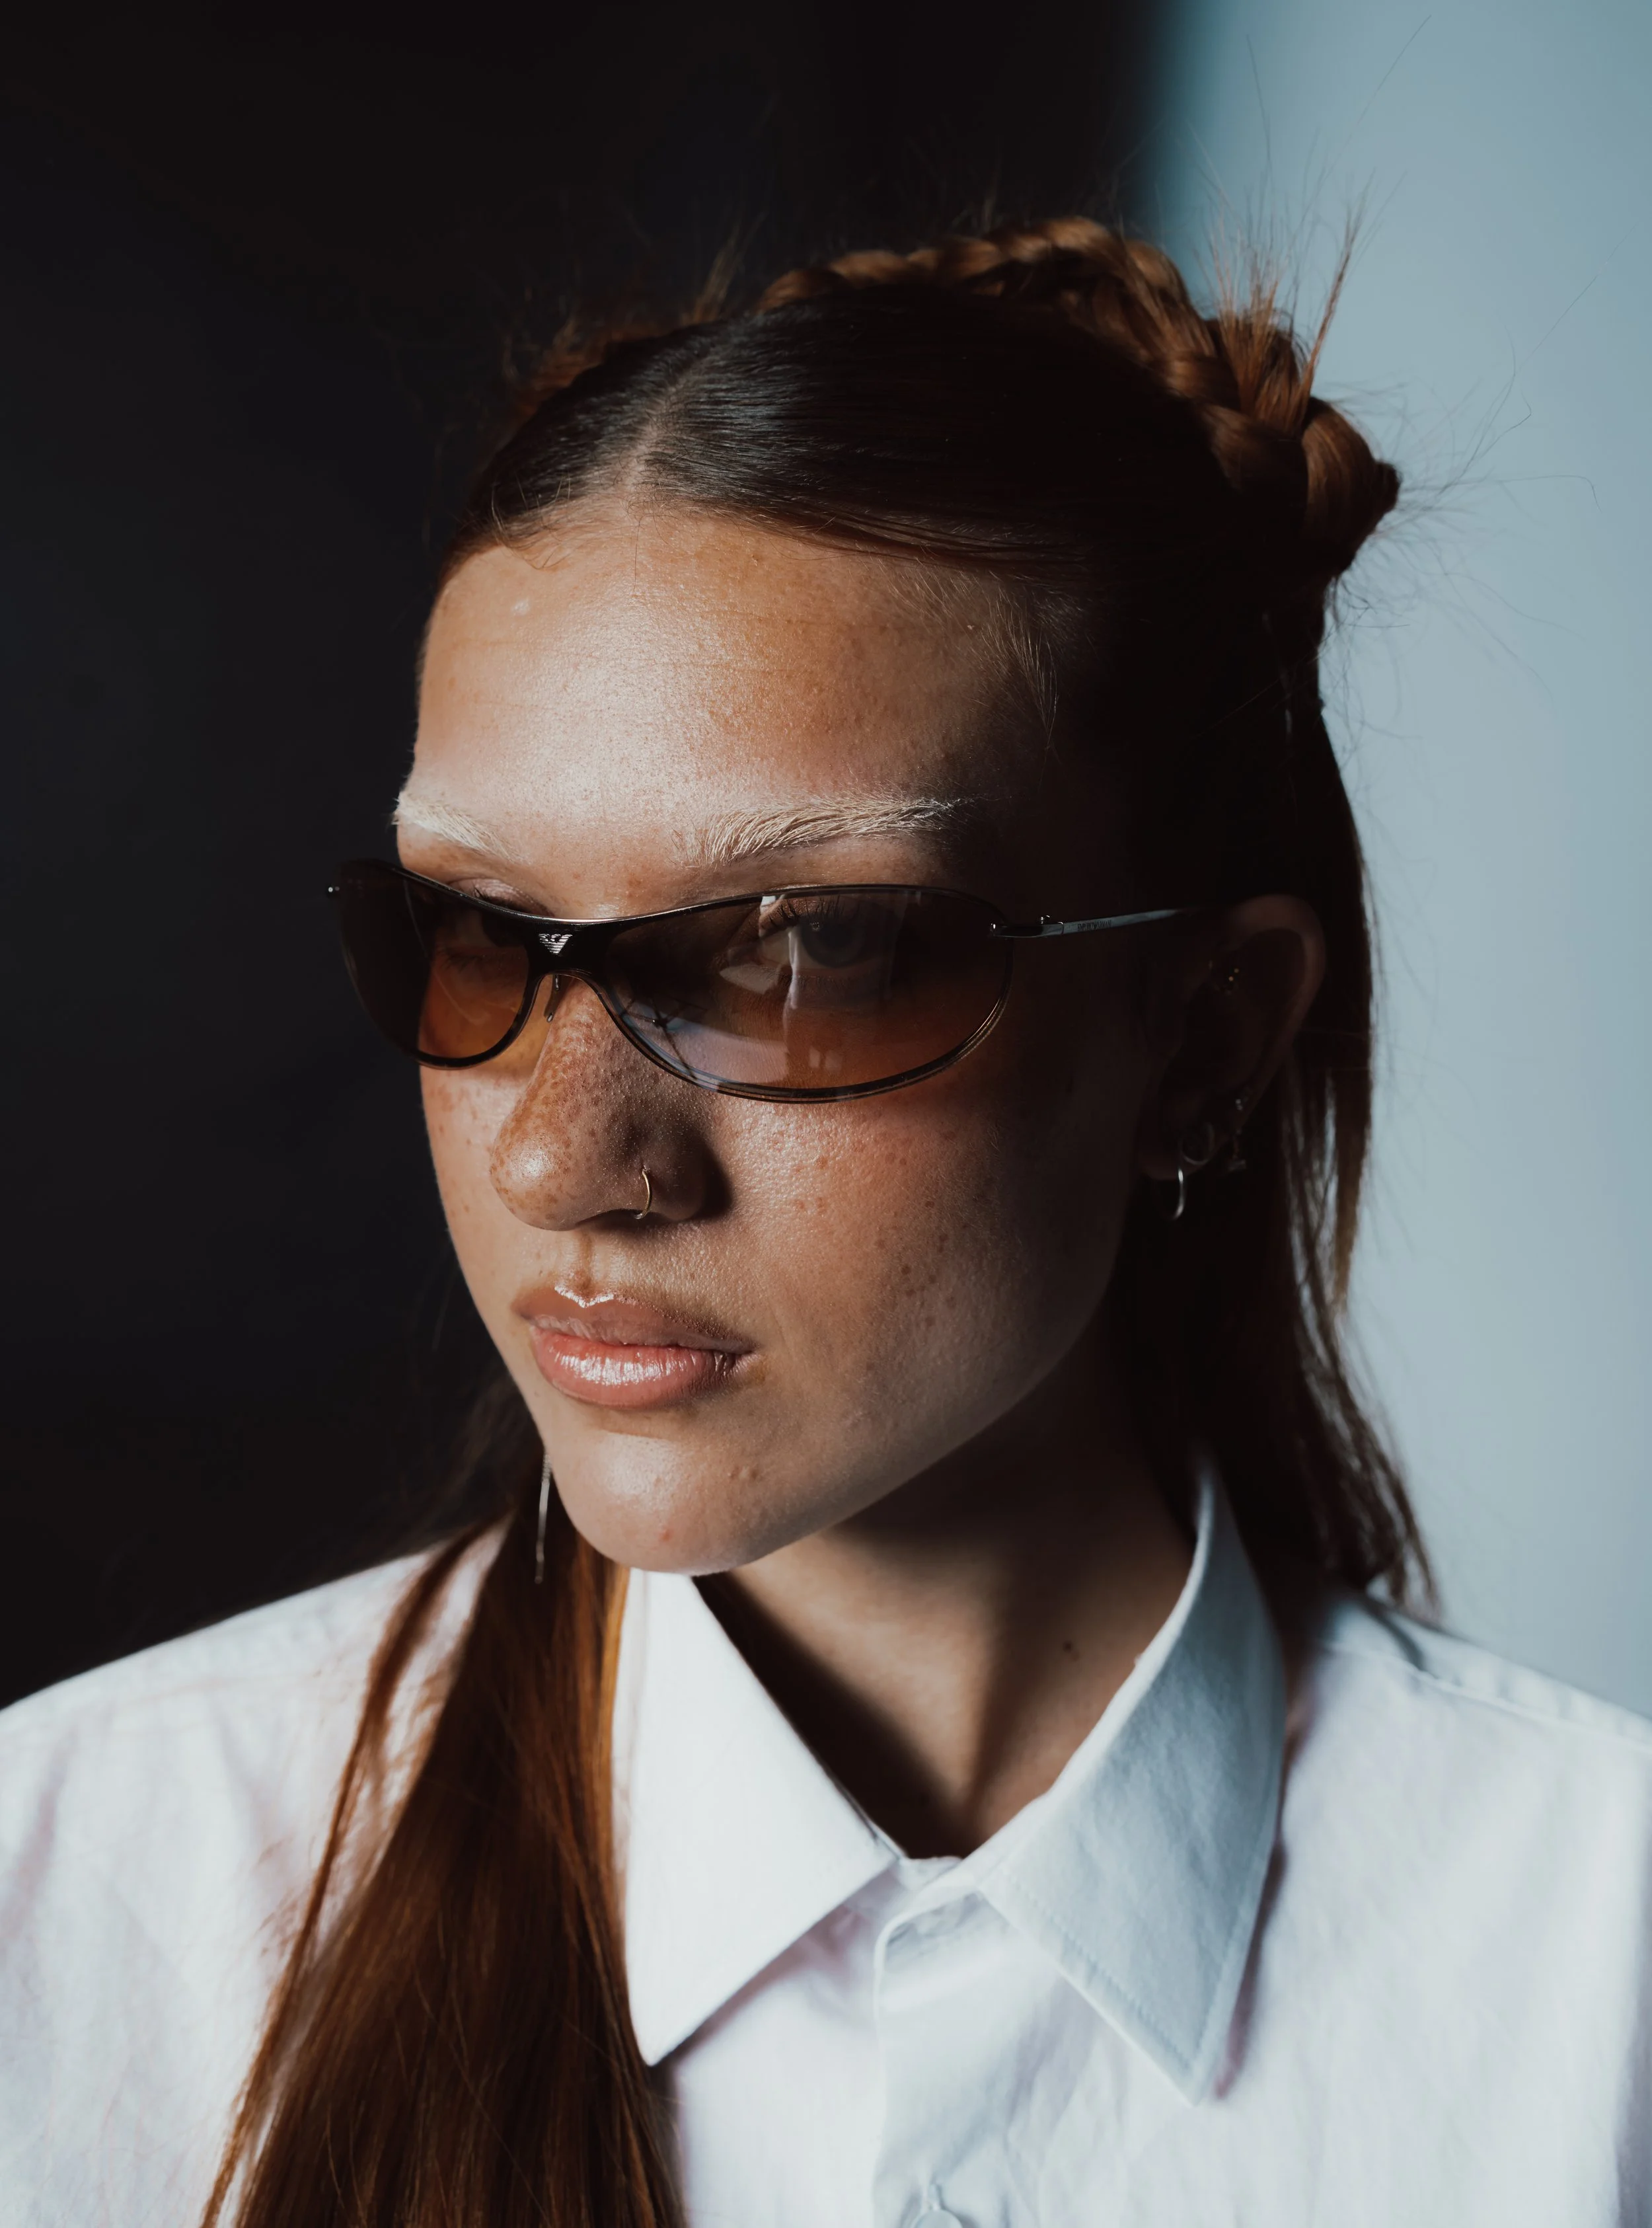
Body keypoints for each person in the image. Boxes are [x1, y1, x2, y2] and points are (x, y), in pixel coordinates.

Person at [1, 215, 1648, 2228]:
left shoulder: (1599, 1972)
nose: (561, 1162)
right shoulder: (74, 1890)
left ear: (1205, 1039)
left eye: (810, 950)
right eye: (474, 935)